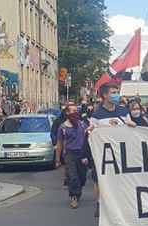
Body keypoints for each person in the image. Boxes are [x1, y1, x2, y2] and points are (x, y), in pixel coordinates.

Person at [89, 82, 135, 217]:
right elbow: (92, 134)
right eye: (113, 93)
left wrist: (132, 126)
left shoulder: (123, 112)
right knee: (100, 180)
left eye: (117, 92)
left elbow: (132, 132)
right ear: (105, 95)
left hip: (121, 153)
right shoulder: (97, 115)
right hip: (104, 155)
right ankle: (99, 203)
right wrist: (91, 131)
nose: (116, 95)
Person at [55, 105, 90, 209]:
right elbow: (59, 144)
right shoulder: (63, 128)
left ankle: (79, 188)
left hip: (82, 153)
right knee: (72, 175)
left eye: (77, 110)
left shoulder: (82, 124)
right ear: (68, 113)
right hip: (70, 153)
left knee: (82, 175)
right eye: (74, 111)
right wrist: (57, 160)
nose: (76, 112)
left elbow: (89, 137)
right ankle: (74, 196)